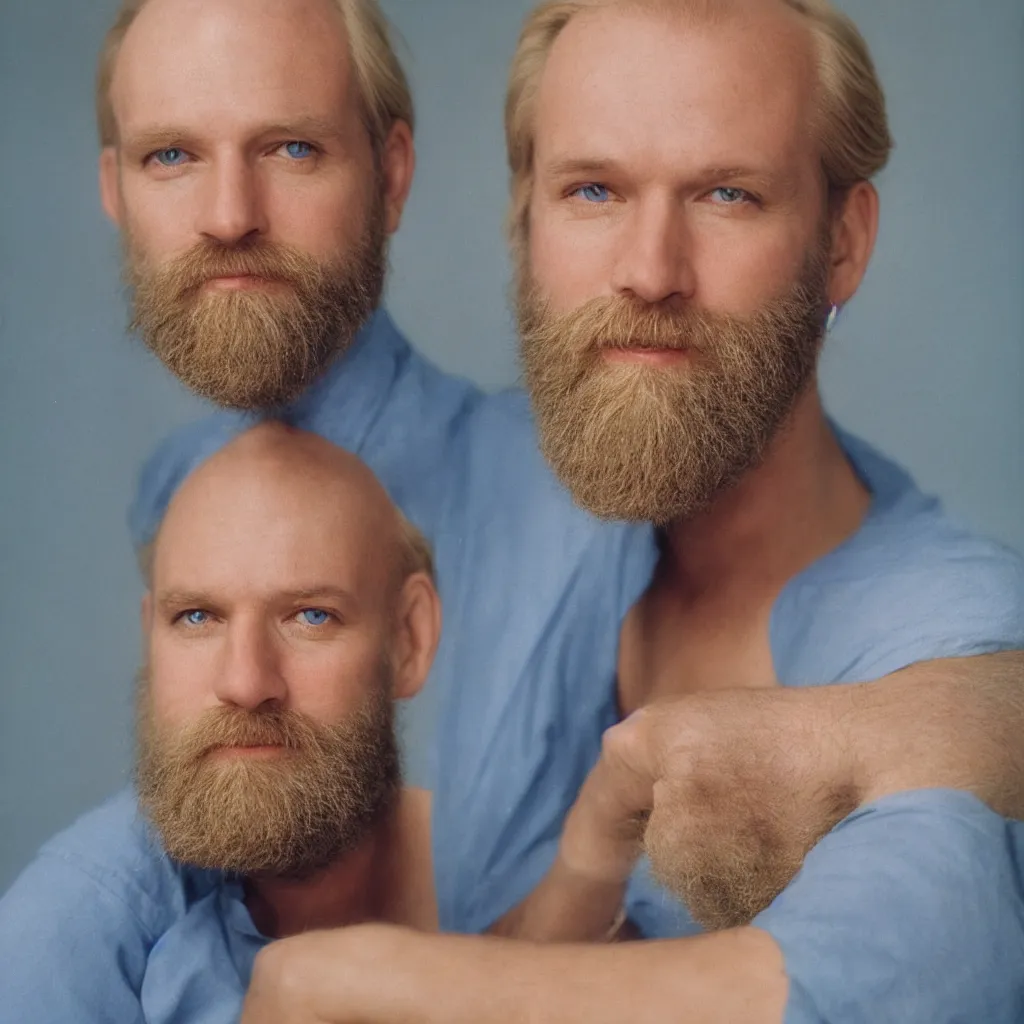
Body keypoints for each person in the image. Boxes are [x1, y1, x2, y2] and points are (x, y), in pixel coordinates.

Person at [234, 0, 1024, 1021]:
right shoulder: (537, 488)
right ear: (526, 218)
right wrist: (586, 866)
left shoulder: (941, 620)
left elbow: (909, 956)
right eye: (594, 190)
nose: (650, 271)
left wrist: (368, 978)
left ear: (841, 243)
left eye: (727, 195)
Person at [0, 423, 442, 1021]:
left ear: (409, 641)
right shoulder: (67, 942)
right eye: (196, 617)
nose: (246, 682)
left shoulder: (520, 876)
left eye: (311, 616)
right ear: (149, 640)